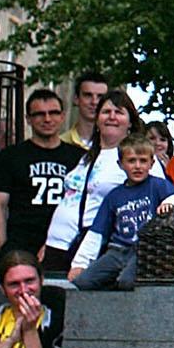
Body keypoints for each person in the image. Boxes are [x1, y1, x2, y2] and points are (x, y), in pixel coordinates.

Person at [41, 88, 139, 274]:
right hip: (57, 243)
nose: (111, 117)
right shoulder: (87, 156)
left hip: (91, 247)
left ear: (130, 123)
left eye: (118, 112)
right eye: (105, 112)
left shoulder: (138, 157)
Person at [71, 129, 174, 290]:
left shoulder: (157, 185)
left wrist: (170, 202)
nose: (138, 166)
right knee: (82, 282)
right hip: (117, 251)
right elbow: (97, 232)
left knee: (127, 282)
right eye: (131, 161)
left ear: (152, 163)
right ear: (121, 164)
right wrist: (80, 264)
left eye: (143, 161)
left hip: (145, 250)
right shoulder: (114, 196)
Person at [0, 88, 79, 260]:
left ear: (62, 116)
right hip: (20, 243)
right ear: (28, 119)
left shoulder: (78, 158)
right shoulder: (11, 156)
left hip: (64, 244)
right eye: (39, 114)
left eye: (53, 113)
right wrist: (4, 251)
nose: (47, 119)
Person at [67, 71, 110, 148]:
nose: (94, 102)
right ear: (76, 99)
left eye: (100, 96)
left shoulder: (119, 146)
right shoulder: (62, 142)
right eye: (88, 95)